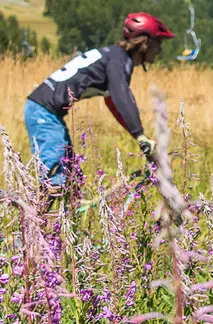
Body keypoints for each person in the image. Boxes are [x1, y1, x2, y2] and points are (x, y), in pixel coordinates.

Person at [25, 11, 174, 197]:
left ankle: (52, 214)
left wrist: (139, 137)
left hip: (45, 112)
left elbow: (114, 103)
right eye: (158, 43)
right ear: (145, 43)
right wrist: (140, 134)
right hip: (44, 113)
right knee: (56, 181)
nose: (159, 49)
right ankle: (29, 213)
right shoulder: (119, 61)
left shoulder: (115, 56)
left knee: (71, 180)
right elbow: (122, 96)